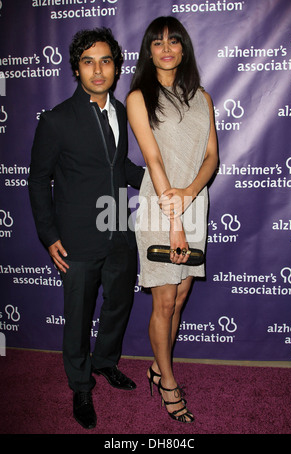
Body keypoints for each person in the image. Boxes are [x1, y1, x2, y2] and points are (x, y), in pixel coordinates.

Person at [28, 28, 144, 430]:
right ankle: (80, 385)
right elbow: (38, 179)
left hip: (118, 226)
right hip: (76, 236)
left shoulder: (122, 112)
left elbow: (119, 167)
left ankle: (106, 362)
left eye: (106, 61)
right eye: (89, 61)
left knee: (118, 304)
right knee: (77, 316)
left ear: (116, 67)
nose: (98, 70)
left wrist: (158, 183)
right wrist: (49, 234)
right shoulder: (57, 119)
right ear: (76, 68)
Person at [127, 16, 218, 423]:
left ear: (184, 49)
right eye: (157, 42)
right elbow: (153, 159)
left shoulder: (203, 96)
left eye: (174, 41)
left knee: (181, 296)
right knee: (164, 301)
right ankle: (167, 382)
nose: (166, 48)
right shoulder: (137, 97)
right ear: (148, 51)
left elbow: (212, 156)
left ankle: (157, 365)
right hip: (159, 207)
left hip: (194, 203)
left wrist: (191, 193)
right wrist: (175, 217)